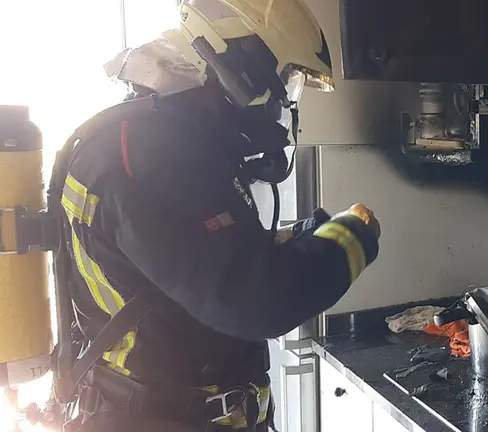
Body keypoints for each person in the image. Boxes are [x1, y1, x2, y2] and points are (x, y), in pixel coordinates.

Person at [55, 0, 380, 430]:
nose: (285, 101)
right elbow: (255, 299)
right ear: (242, 66)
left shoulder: (160, 142)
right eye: (288, 80)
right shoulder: (152, 157)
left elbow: (212, 256)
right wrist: (353, 238)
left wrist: (309, 232)